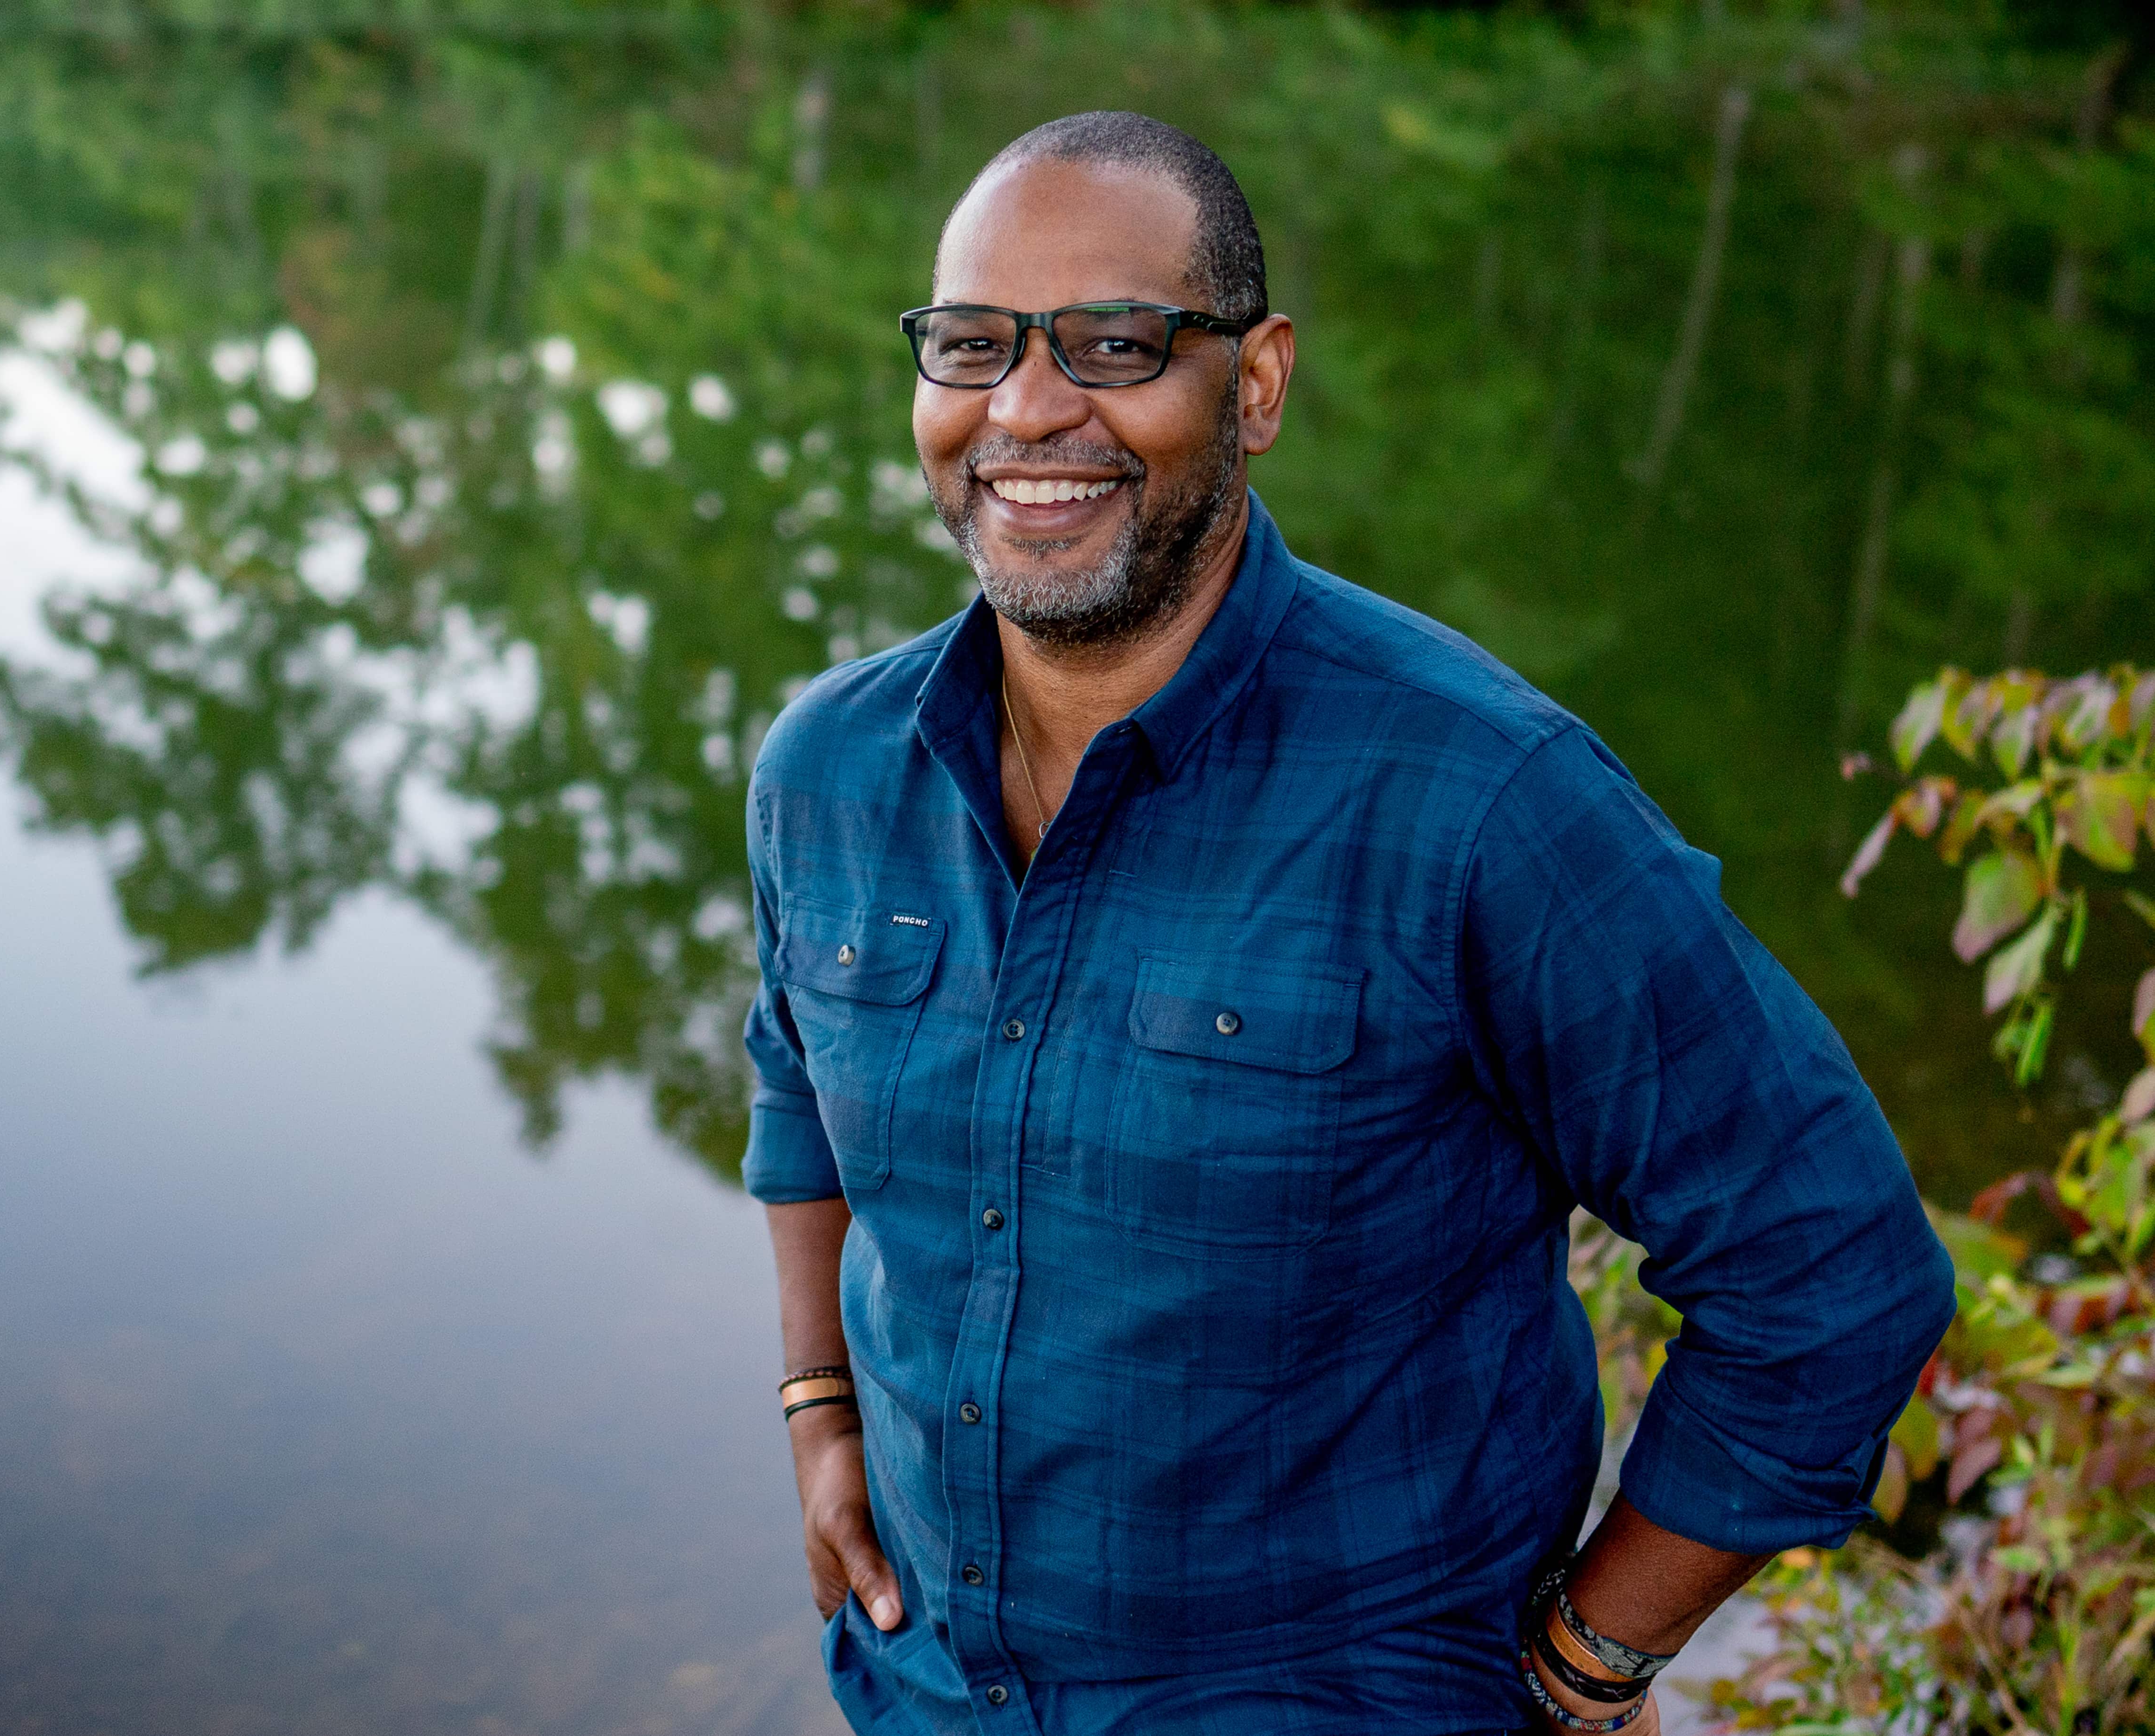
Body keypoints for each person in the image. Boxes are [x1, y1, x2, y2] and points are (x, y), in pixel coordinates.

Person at [739, 111, 1955, 1735]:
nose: (1025, 407)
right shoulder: (825, 770)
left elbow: (1833, 1272)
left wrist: (1594, 1660)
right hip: (924, 1695)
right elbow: (798, 1089)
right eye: (971, 344)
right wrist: (821, 1411)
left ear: (1252, 384)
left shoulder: (1481, 799)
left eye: (1114, 342)